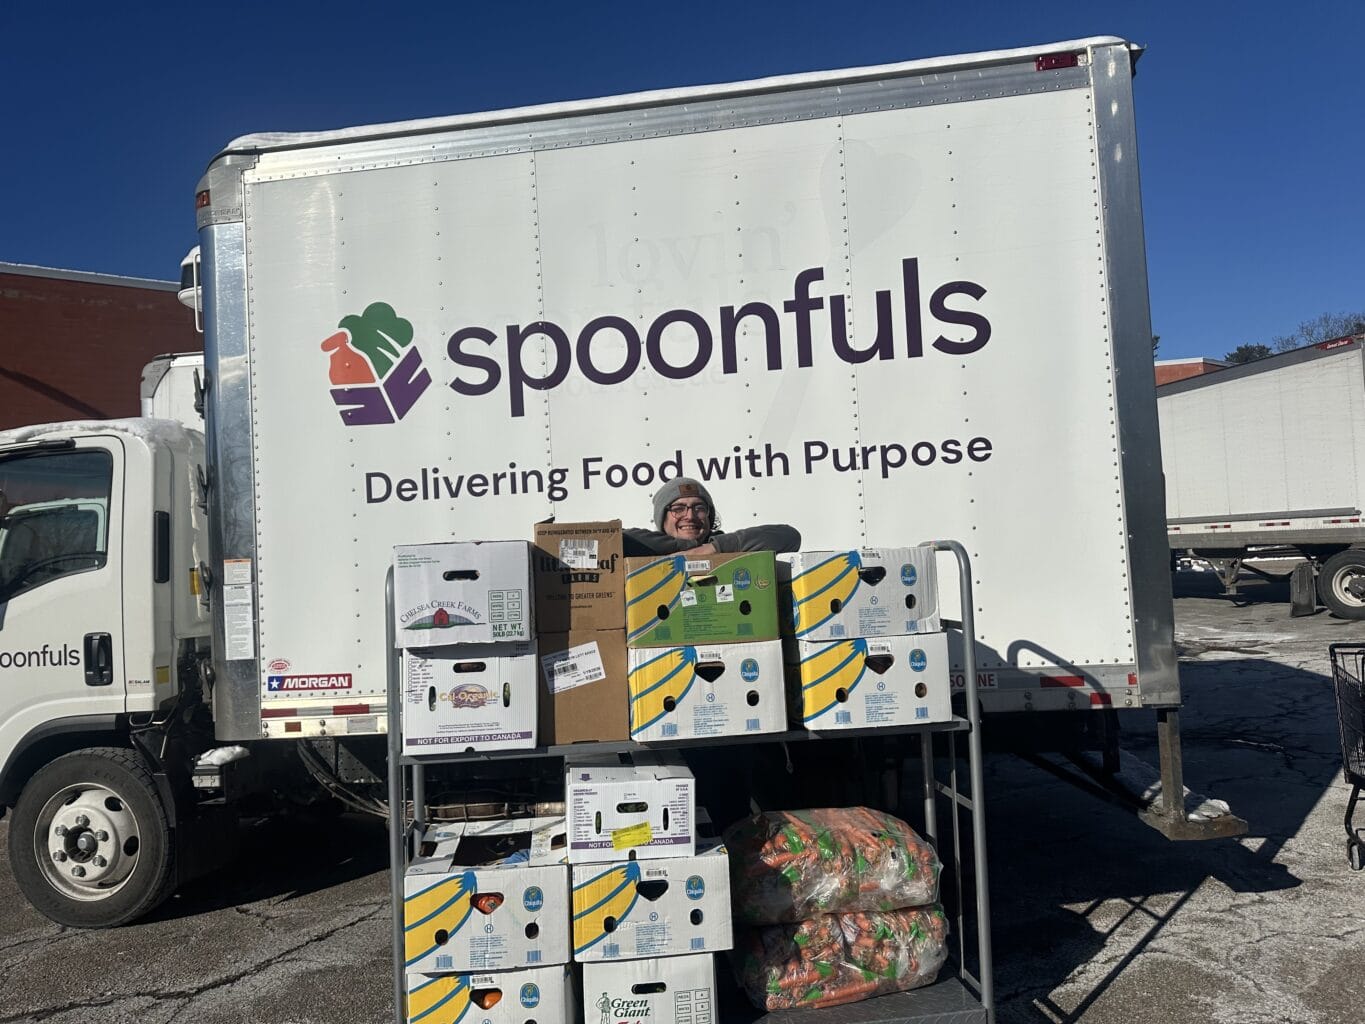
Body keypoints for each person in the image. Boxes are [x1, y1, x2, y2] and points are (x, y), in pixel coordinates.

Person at [623, 477, 800, 556]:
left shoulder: (727, 548)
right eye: (678, 509)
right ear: (662, 518)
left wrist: (713, 548)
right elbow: (616, 539)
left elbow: (790, 537)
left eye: (699, 508)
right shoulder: (648, 549)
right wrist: (686, 547)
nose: (690, 516)